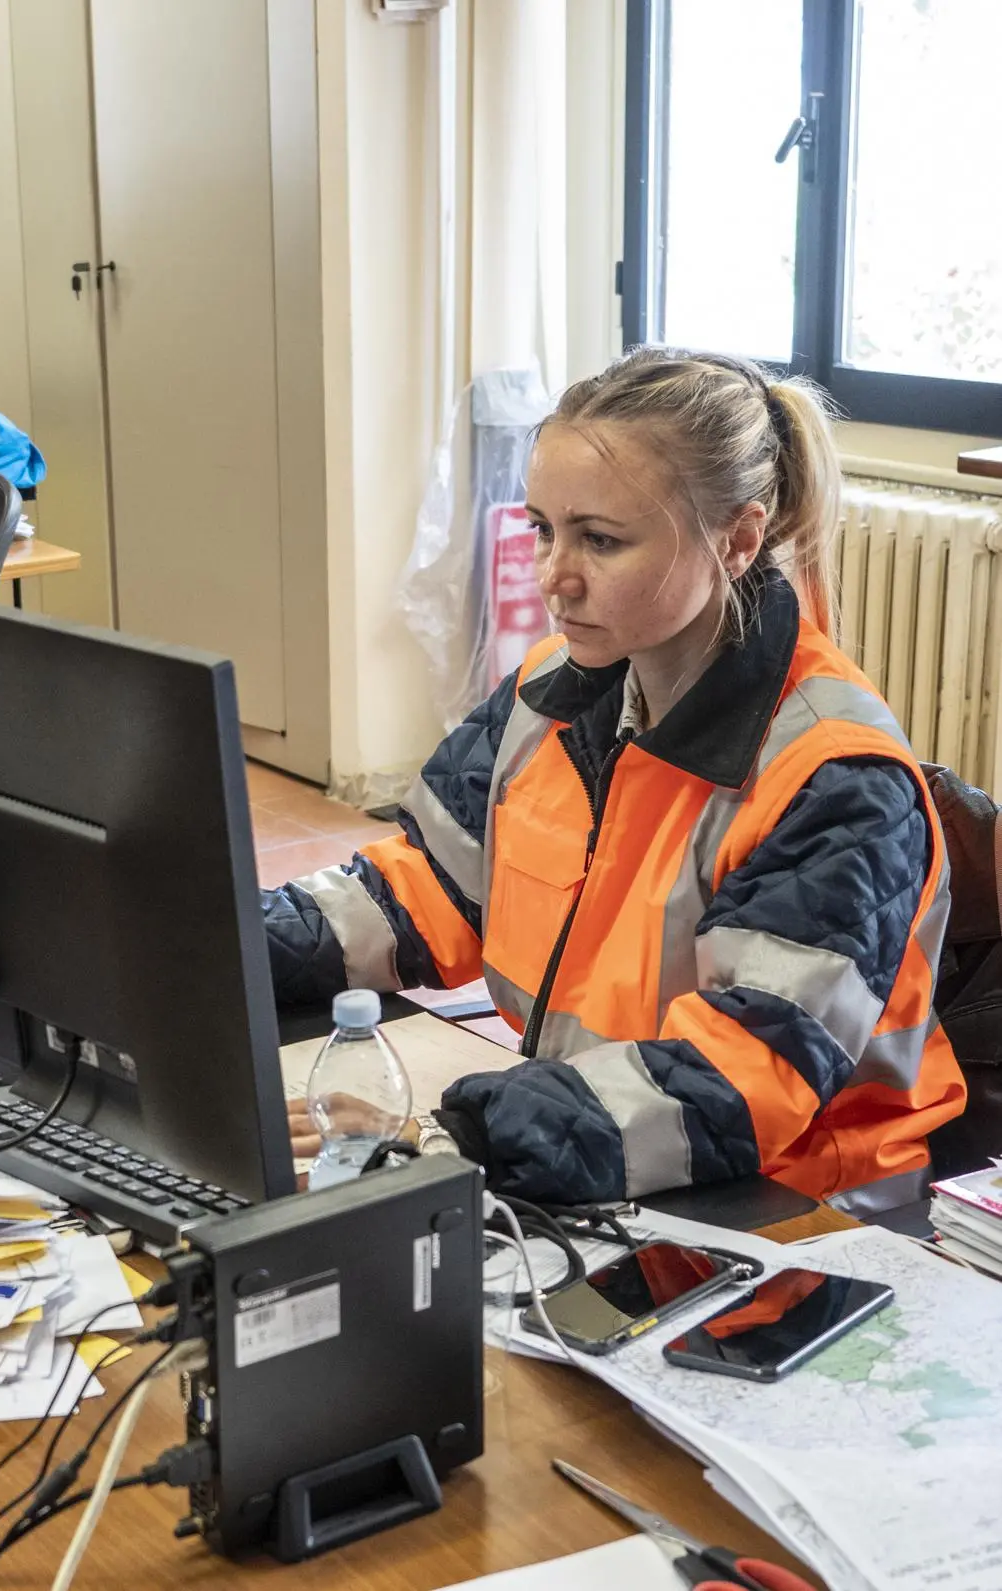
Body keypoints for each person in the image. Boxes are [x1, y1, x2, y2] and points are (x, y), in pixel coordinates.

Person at [265, 347, 966, 1213]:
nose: (553, 577)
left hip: (792, 1211)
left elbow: (740, 1081)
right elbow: (416, 893)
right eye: (543, 529)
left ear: (740, 540)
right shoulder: (552, 691)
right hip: (597, 1158)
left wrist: (455, 1137)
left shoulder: (835, 776)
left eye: (600, 539)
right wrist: (216, 944)